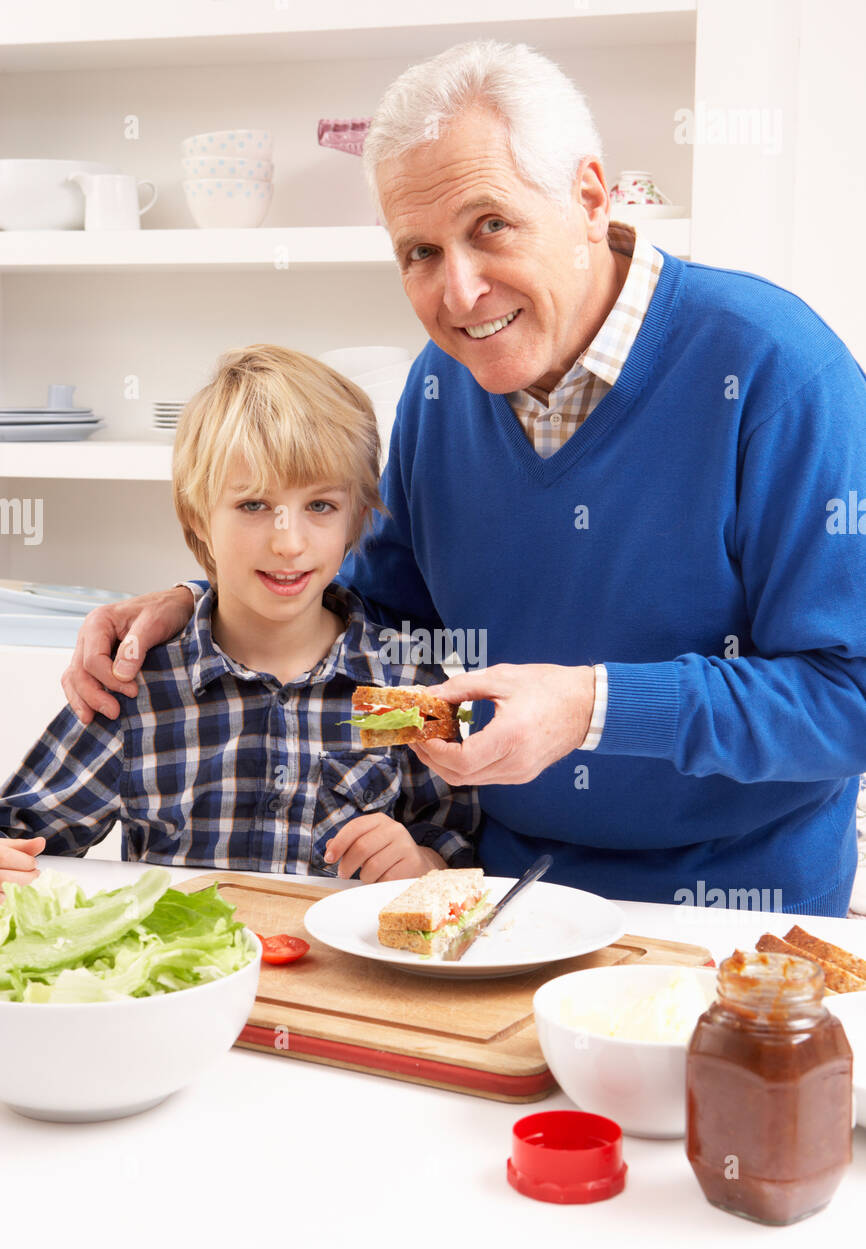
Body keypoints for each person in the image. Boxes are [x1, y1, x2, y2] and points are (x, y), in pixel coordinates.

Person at [59, 41, 866, 916]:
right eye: (420, 252)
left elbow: (847, 694)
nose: (461, 292)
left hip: (731, 905)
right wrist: (206, 607)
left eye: (491, 226)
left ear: (589, 198)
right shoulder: (440, 390)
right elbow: (385, 631)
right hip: (487, 890)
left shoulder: (779, 371)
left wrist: (592, 706)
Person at [0, 345, 479, 887]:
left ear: (355, 520)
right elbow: (19, 835)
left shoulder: (408, 688)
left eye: (320, 506)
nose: (289, 543)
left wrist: (424, 865)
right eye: (253, 505)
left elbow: (459, 845)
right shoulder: (138, 689)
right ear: (197, 516)